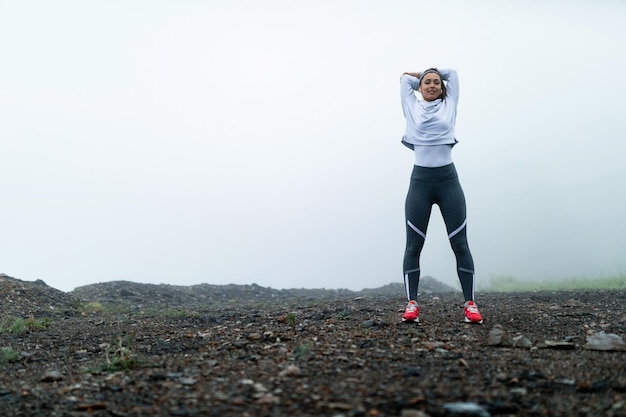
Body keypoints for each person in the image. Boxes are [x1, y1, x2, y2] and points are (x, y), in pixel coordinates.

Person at [399, 68, 483, 324]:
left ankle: (470, 304)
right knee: (414, 245)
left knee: (460, 244)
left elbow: (453, 74)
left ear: (443, 88)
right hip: (420, 183)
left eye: (436, 82)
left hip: (448, 182)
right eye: (427, 82)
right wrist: (418, 74)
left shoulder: (450, 103)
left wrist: (428, 69)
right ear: (420, 88)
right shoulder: (411, 105)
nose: (432, 85)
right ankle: (412, 303)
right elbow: (404, 80)